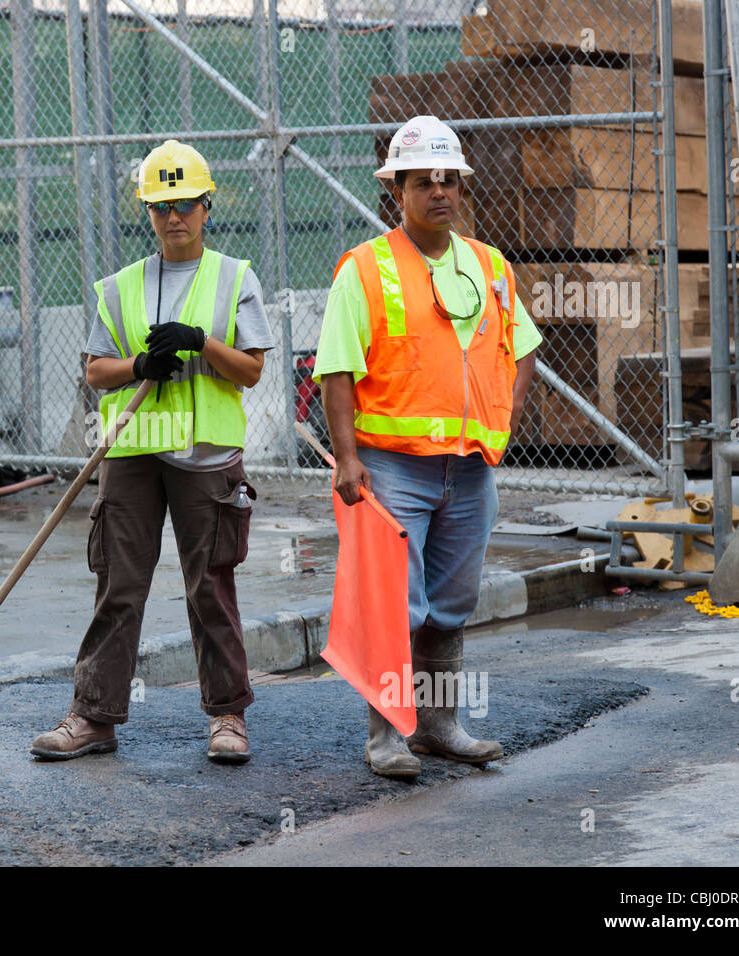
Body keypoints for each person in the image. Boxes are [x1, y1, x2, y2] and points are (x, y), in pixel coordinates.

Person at [31, 140, 275, 764]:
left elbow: (250, 370)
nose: (175, 217)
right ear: (147, 210)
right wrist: (139, 363)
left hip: (207, 458)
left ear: (207, 206)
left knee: (209, 587)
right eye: (162, 206)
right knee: (118, 586)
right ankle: (94, 717)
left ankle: (226, 717)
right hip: (133, 456)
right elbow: (95, 372)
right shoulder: (119, 289)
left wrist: (199, 343)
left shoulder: (234, 278)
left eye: (186, 204)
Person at [314, 116, 540, 778]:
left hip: (469, 470)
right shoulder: (366, 269)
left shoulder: (489, 265)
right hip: (392, 467)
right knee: (394, 605)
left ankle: (439, 726)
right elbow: (336, 369)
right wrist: (347, 457)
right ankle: (387, 734)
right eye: (423, 182)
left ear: (461, 187)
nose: (438, 191)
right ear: (399, 191)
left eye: (448, 180)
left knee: (450, 603)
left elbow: (521, 347)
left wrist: (510, 408)